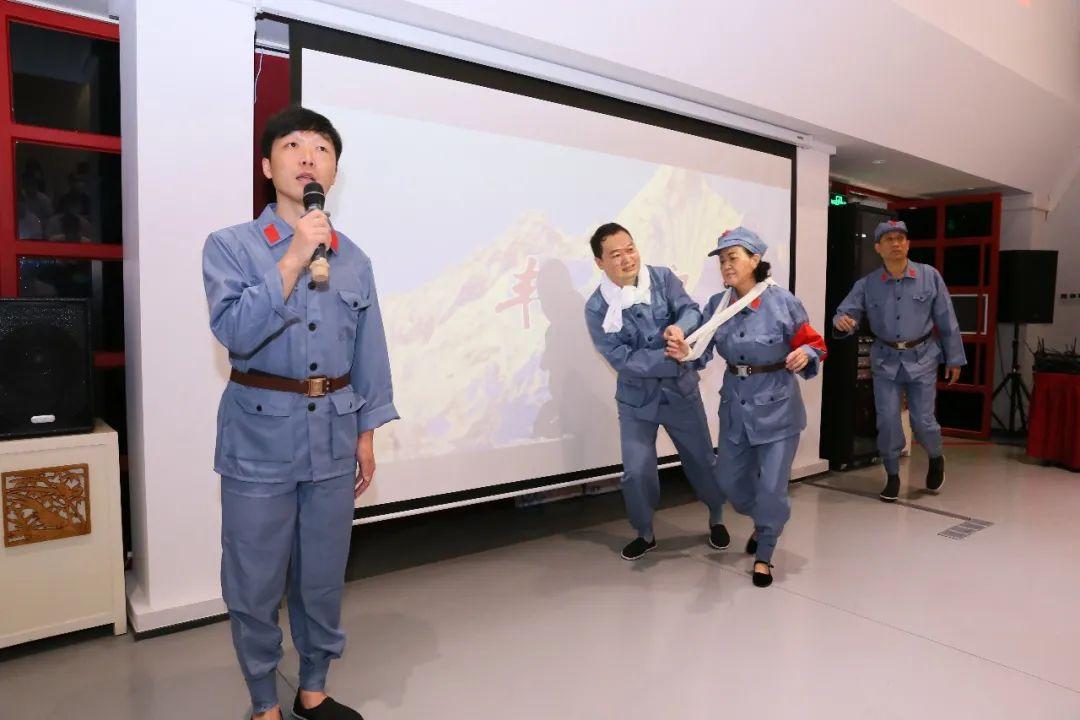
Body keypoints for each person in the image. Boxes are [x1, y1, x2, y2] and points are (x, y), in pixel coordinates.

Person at [202, 106, 397, 720]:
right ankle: (264, 700)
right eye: (293, 145)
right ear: (268, 166)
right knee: (254, 578)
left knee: (322, 575)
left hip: (334, 435)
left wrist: (367, 433)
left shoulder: (354, 259)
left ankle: (313, 687)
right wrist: (292, 258)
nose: (309, 156)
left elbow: (369, 352)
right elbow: (235, 332)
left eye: (322, 148)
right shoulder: (230, 246)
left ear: (334, 171)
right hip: (258, 436)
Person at [668, 228, 826, 587]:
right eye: (722, 260)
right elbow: (701, 354)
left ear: (755, 260)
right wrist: (685, 353)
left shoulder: (782, 302)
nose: (726, 265)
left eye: (733, 257)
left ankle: (765, 552)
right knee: (728, 481)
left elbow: (815, 344)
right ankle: (769, 519)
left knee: (771, 488)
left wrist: (806, 353)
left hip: (777, 409)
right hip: (735, 409)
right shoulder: (717, 305)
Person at [584, 222, 729, 561]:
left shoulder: (662, 278)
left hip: (681, 394)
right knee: (637, 471)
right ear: (600, 262)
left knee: (702, 461)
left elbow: (690, 310)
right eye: (615, 255)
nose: (627, 259)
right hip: (636, 401)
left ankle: (717, 516)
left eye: (630, 249)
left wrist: (680, 327)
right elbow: (622, 359)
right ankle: (645, 533)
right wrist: (674, 358)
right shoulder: (596, 307)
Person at [832, 219, 965, 502]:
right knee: (888, 420)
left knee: (923, 421)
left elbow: (947, 319)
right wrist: (842, 321)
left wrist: (954, 358)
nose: (896, 243)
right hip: (886, 360)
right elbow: (845, 313)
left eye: (900, 238)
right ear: (878, 248)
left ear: (908, 244)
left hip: (923, 356)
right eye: (889, 239)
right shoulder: (867, 284)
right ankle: (892, 475)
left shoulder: (929, 276)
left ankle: (936, 457)